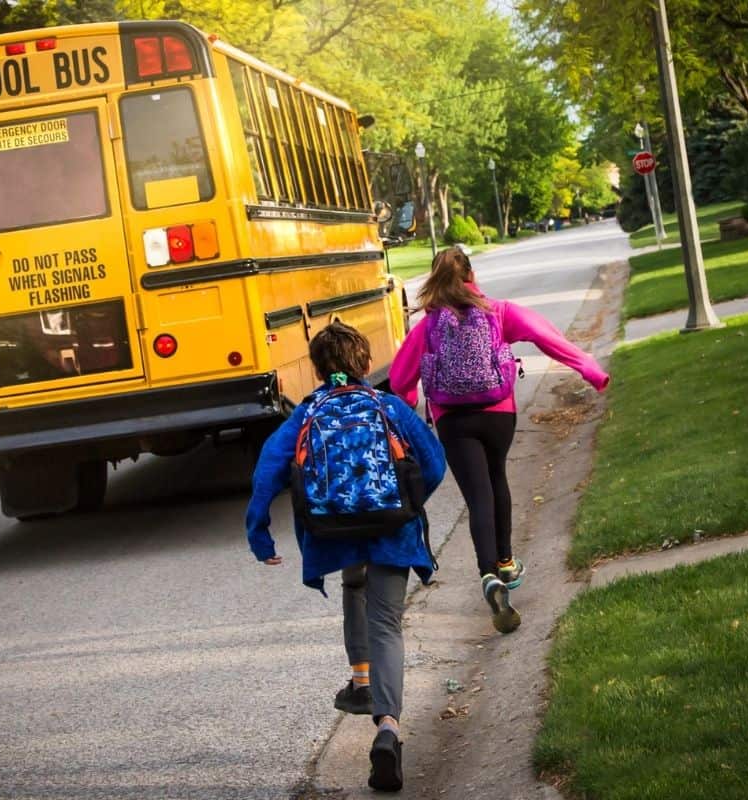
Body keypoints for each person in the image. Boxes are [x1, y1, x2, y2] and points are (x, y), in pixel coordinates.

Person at [246, 321, 446, 792]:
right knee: (387, 625)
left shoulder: (307, 413)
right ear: (362, 362)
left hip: (332, 530)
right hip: (391, 528)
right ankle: (389, 728)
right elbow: (433, 463)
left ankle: (360, 679)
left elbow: (268, 471)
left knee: (352, 581)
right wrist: (406, 503)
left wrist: (260, 533)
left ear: (317, 369)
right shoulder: (388, 406)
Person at [389, 247, 609, 633]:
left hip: (452, 420)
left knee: (477, 497)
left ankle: (487, 574)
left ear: (435, 279)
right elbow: (546, 336)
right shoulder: (499, 312)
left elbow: (400, 379)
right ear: (471, 274)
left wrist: (409, 402)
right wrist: (589, 369)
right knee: (497, 480)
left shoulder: (428, 326)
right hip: (497, 414)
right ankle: (506, 561)